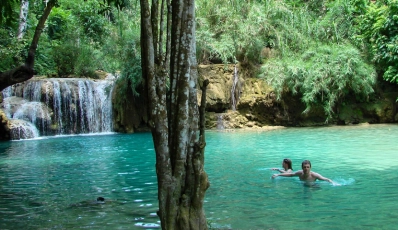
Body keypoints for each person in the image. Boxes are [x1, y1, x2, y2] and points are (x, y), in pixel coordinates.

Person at [272, 160, 339, 186]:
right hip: (303, 185)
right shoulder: (300, 173)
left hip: (313, 186)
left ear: (310, 167)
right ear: (302, 168)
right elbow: (290, 174)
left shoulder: (314, 175)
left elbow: (326, 179)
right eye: (304, 167)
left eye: (307, 167)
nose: (306, 169)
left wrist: (333, 183)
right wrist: (278, 174)